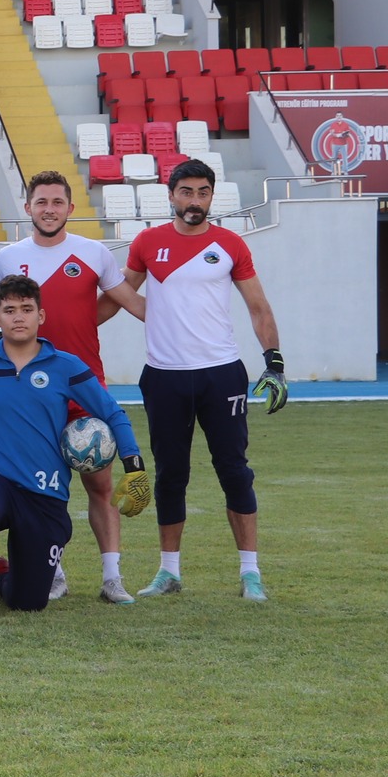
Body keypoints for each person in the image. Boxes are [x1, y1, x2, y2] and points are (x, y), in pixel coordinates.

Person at [120, 159, 287, 603]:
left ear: (212, 196)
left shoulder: (230, 244)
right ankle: (168, 572)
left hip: (221, 374)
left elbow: (258, 306)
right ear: (171, 195)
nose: (195, 201)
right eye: (187, 192)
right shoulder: (147, 243)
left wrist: (274, 362)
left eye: (203, 192)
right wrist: (68, 334)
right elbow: (118, 296)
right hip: (164, 376)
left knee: (234, 471)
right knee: (171, 475)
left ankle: (250, 572)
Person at [0, 169, 151, 604]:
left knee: (99, 484)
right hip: (31, 393)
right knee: (40, 486)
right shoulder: (7, 257)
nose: (48, 209)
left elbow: (130, 304)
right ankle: (54, 571)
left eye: (57, 202)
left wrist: (184, 316)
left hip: (83, 385)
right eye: (40, 202)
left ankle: (112, 577)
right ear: (28, 208)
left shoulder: (94, 253)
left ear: (70, 208)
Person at [0, 276, 150, 620]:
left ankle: (3, 573)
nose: (18, 317)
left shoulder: (66, 366)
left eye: (27, 309)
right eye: (9, 310)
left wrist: (134, 463)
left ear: (41, 316)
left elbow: (111, 412)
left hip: (45, 493)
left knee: (28, 602)